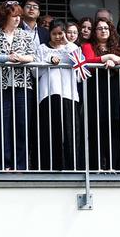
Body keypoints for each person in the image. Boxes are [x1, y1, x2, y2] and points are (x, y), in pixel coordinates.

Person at [0, 2, 35, 172]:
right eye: (14, 16)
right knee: (1, 125)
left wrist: (22, 59)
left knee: (22, 125)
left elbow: (33, 56)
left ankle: (20, 165)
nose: (17, 19)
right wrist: (7, 57)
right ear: (5, 17)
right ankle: (3, 164)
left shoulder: (25, 35)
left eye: (19, 16)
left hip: (22, 84)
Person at [36, 19, 82, 171]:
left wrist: (67, 42)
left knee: (70, 131)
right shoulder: (42, 48)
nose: (57, 37)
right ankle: (50, 166)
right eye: (54, 34)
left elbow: (80, 65)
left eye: (60, 33)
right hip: (48, 93)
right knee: (50, 130)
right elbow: (35, 72)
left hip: (68, 93)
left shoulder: (72, 47)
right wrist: (49, 61)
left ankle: (71, 166)